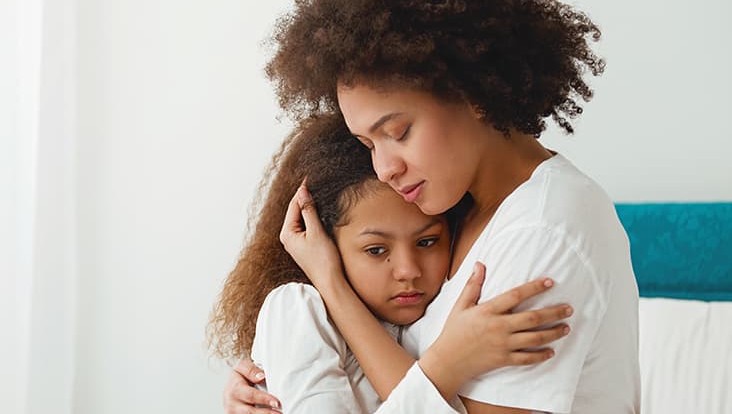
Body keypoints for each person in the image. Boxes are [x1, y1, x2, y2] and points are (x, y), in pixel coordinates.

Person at [225, 0, 640, 413]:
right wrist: (280, 381)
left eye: (398, 132)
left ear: (473, 93)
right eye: (369, 145)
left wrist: (336, 291)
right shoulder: (455, 213)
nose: (385, 169)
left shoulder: (543, 228)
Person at [210, 114, 572, 413]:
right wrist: (446, 366)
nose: (408, 270)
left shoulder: (439, 315)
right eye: (376, 250)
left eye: (427, 242)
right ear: (326, 246)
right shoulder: (297, 309)